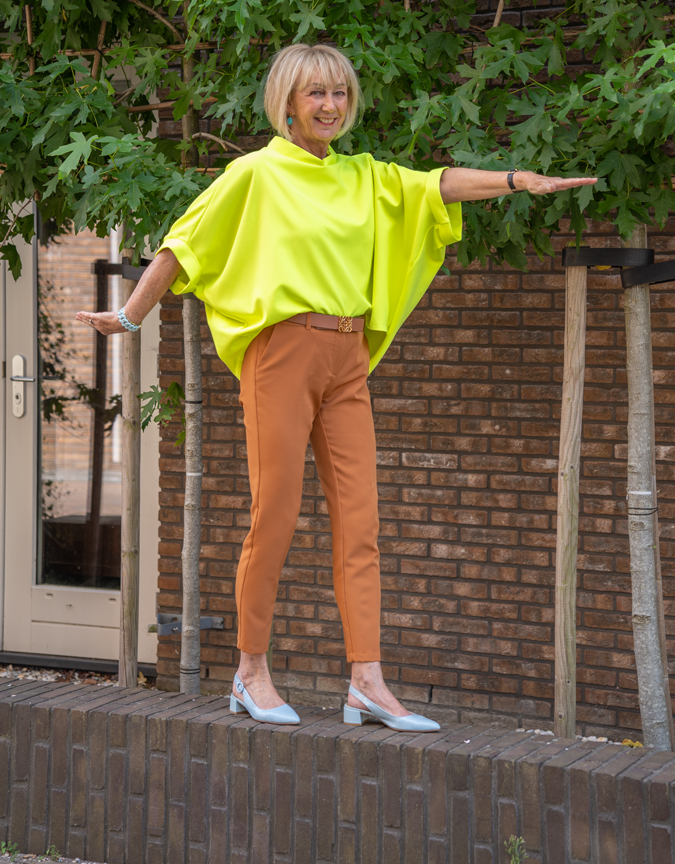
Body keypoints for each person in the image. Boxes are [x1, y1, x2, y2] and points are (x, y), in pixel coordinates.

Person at [77, 42, 596, 731]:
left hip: (347, 356)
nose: (329, 105)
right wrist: (130, 316)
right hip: (282, 354)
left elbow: (434, 183)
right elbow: (183, 245)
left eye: (339, 94)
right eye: (315, 93)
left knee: (361, 523)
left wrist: (514, 179)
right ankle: (250, 670)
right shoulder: (255, 174)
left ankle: (366, 680)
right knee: (276, 516)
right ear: (288, 101)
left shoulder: (361, 177)